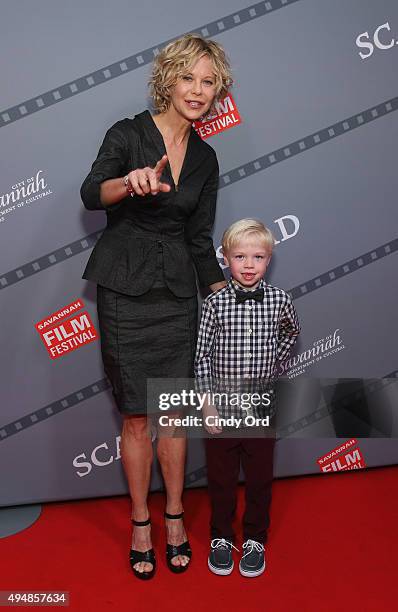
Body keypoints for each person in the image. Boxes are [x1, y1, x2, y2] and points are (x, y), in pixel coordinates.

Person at [80, 34, 232, 580]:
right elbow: (91, 192)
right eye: (188, 77)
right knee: (139, 417)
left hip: (177, 298)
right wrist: (130, 181)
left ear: (218, 92)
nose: (197, 90)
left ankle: (174, 516)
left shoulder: (207, 157)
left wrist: (225, 296)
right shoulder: (127, 133)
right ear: (167, 79)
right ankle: (141, 521)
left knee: (175, 414)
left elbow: (199, 237)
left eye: (208, 81)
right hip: (125, 292)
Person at [194, 219, 301, 577]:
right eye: (240, 256)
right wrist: (207, 406)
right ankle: (221, 537)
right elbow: (202, 357)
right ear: (226, 258)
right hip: (221, 409)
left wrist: (274, 367)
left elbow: (290, 333)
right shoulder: (215, 304)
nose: (249, 264)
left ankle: (255, 538)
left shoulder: (280, 300)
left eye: (258, 256)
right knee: (222, 480)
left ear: (269, 259)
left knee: (259, 479)